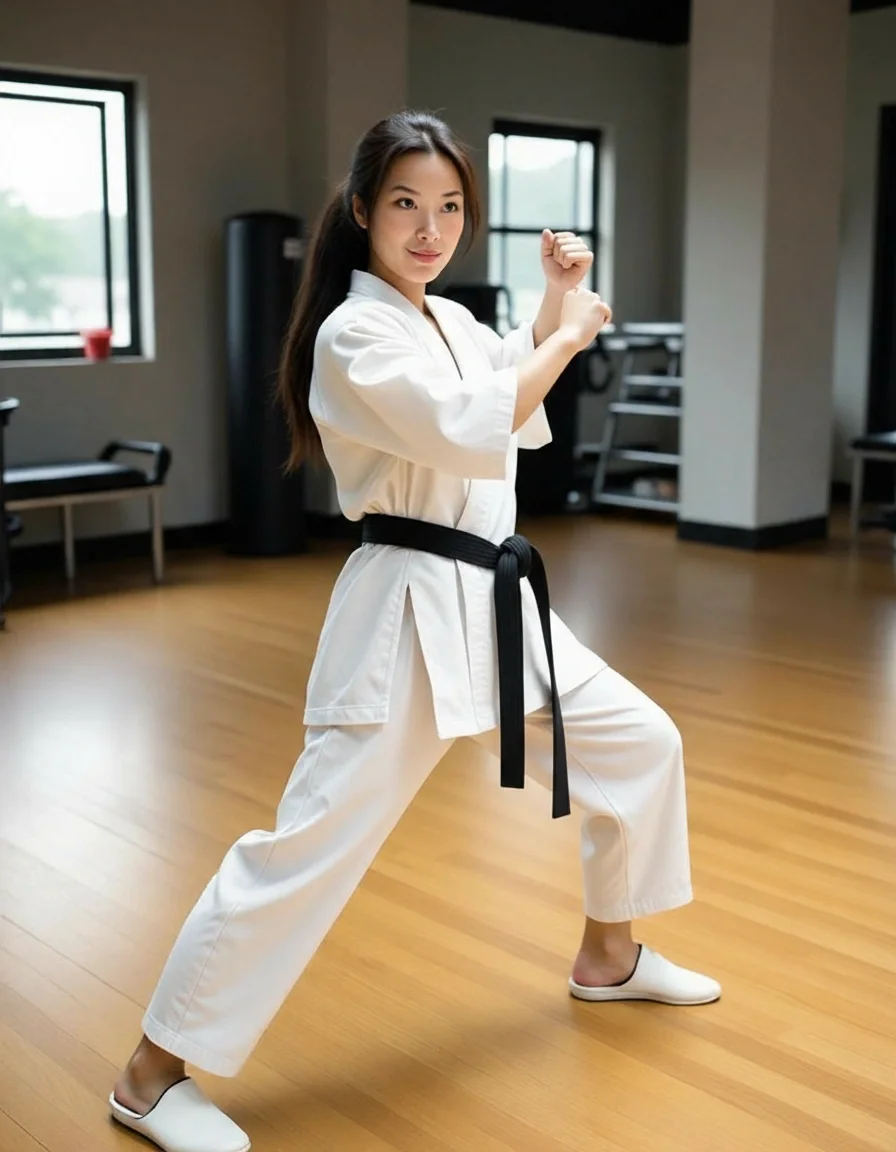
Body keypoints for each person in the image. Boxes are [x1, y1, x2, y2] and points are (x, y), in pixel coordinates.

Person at [108, 110, 720, 1152]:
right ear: (362, 211)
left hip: (495, 600)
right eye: (404, 204)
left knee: (639, 743)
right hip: (403, 611)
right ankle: (150, 1075)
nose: (429, 228)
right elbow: (469, 421)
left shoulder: (450, 321)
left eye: (447, 207)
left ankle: (609, 955)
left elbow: (504, 385)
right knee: (310, 845)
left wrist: (553, 304)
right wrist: (572, 336)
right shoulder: (352, 335)